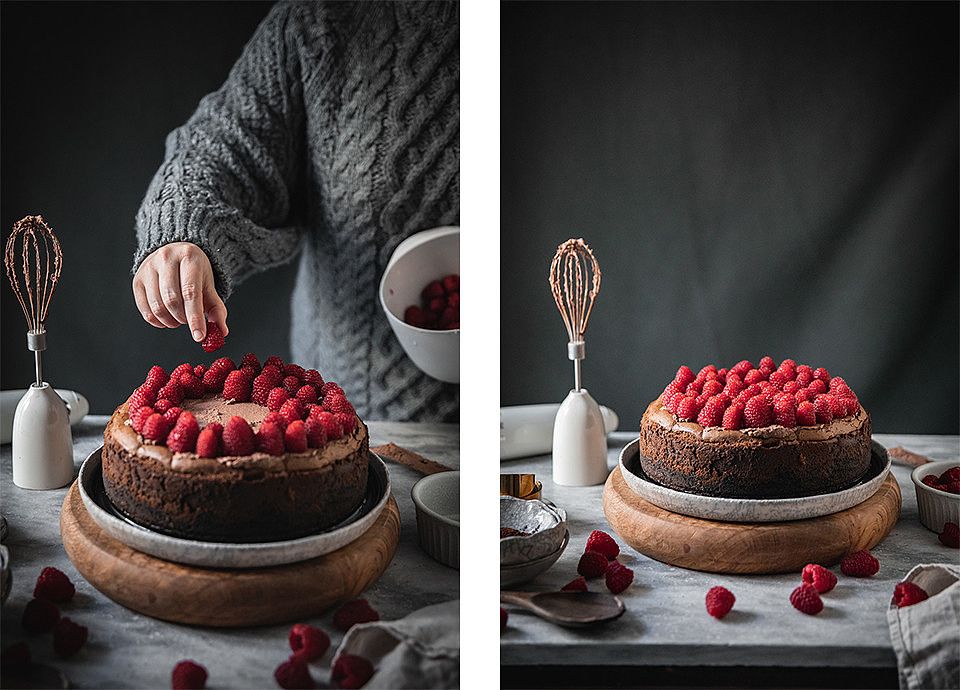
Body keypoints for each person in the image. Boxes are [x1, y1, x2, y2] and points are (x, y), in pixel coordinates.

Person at [131, 1, 459, 422]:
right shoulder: (321, 18)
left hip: (518, 408)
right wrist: (182, 223)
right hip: (337, 414)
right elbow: (228, 142)